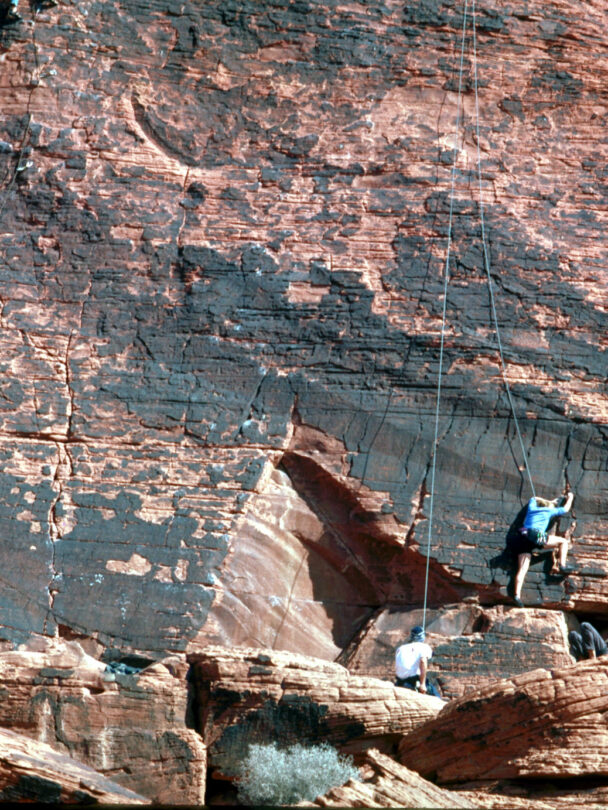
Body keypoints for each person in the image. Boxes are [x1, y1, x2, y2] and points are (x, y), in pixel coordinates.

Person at [508, 491, 575, 607]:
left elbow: (533, 498)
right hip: (536, 534)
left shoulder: (532, 508)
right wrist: (570, 497)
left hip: (522, 535)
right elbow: (565, 509)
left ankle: (516, 595)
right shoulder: (549, 511)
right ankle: (562, 565)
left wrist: (549, 501)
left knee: (522, 569)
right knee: (563, 541)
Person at [395, 625, 441, 697]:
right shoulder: (424, 647)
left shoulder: (400, 648)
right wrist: (422, 684)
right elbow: (423, 661)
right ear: (422, 636)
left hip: (400, 682)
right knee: (437, 698)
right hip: (413, 682)